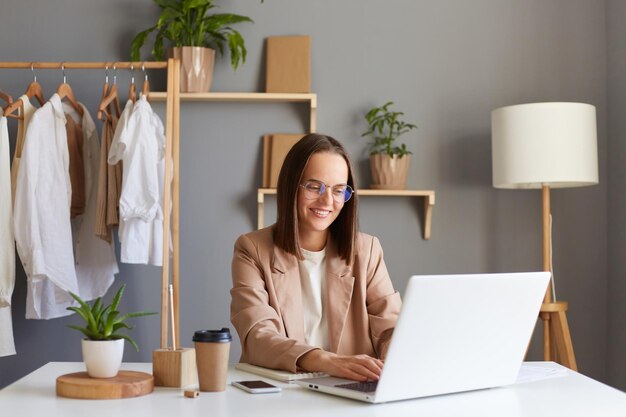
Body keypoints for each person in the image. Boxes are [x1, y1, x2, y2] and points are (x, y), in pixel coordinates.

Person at [230, 133, 401, 382]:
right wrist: (327, 361)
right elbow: (257, 336)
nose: (327, 200)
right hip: (282, 390)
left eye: (338, 190)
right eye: (313, 186)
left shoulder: (367, 250)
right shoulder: (252, 249)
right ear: (291, 187)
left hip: (352, 389)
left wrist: (393, 361)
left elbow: (391, 327)